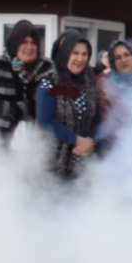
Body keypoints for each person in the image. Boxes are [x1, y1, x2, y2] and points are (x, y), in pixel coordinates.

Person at [35, 35, 102, 181]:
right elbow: (45, 121)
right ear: (65, 54)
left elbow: (96, 117)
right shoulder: (49, 82)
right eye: (75, 53)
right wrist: (77, 140)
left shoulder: (88, 82)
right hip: (53, 165)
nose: (80, 59)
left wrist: (91, 140)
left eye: (84, 54)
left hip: (82, 164)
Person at [0, 21, 51, 137]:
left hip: (39, 138)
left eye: (33, 43)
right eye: (24, 42)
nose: (29, 47)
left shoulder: (47, 67)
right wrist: (21, 108)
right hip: (2, 138)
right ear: (15, 43)